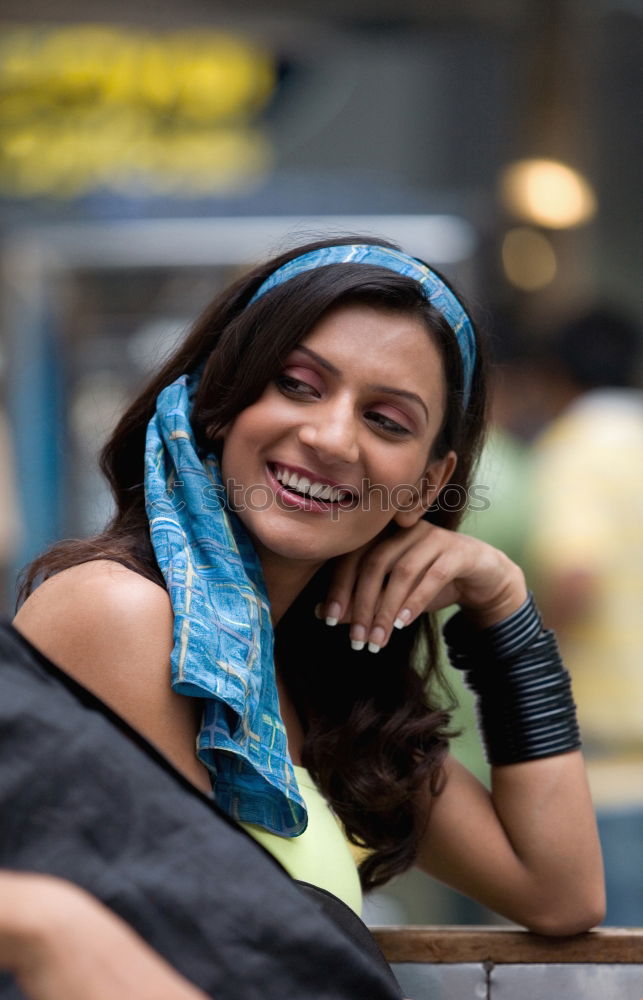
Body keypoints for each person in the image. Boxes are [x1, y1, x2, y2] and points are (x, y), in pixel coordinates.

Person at [4, 237, 604, 997]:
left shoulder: (322, 685)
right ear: (218, 399)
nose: (329, 438)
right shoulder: (122, 614)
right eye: (296, 385)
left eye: (387, 421)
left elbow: (558, 891)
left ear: (427, 485)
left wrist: (503, 610)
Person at [526, 307, 643, 925]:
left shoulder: (575, 447)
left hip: (610, 767)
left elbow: (577, 574)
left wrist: (523, 649)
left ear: (556, 376)